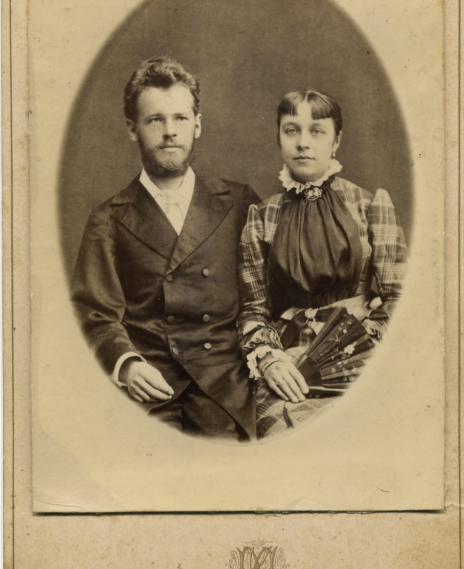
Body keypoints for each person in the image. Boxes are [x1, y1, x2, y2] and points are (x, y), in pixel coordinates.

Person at [72, 56, 259, 441]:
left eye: (180, 118)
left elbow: (269, 291)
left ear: (198, 124)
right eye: (155, 120)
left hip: (223, 384)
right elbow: (95, 313)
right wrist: (127, 365)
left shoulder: (239, 202)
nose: (170, 132)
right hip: (150, 386)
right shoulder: (108, 218)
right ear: (132, 129)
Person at [238, 89, 407, 437]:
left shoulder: (368, 206)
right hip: (290, 363)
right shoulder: (262, 217)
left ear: (336, 140)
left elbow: (400, 299)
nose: (303, 143)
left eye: (317, 131)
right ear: (279, 137)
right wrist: (269, 361)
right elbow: (253, 310)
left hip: (363, 355)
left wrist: (368, 345)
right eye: (291, 130)